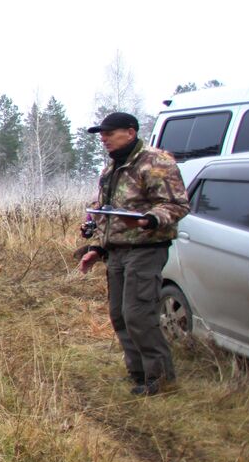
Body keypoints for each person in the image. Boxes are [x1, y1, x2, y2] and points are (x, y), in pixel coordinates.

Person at [76, 111, 190, 395]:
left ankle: (160, 380)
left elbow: (177, 205)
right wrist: (95, 247)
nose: (103, 139)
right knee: (119, 315)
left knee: (138, 313)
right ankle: (139, 374)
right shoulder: (110, 170)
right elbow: (104, 213)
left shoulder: (156, 162)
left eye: (109, 133)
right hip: (116, 251)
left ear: (130, 132)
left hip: (146, 248)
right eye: (101, 134)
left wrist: (148, 219)